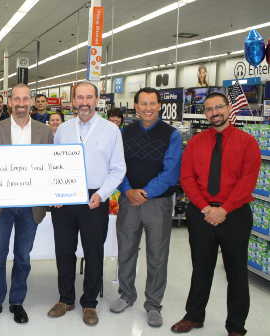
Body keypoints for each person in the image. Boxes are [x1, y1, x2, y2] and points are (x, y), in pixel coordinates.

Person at [171, 92, 261, 336]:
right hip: (201, 213)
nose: (214, 112)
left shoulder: (247, 142)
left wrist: (224, 209)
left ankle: (235, 327)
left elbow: (247, 181)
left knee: (237, 272)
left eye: (219, 107)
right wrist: (205, 208)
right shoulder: (196, 143)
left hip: (235, 215)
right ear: (205, 113)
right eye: (209, 109)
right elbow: (187, 178)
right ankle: (194, 316)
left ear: (229, 108)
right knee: (201, 268)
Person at [48, 82, 126, 326]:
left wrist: (102, 194)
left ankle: (89, 302)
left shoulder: (111, 131)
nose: (84, 102)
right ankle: (65, 298)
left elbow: (118, 169)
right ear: (73, 101)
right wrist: (55, 193)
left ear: (97, 99)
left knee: (93, 252)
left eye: (88, 97)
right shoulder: (63, 129)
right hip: (66, 198)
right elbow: (53, 163)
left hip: (95, 198)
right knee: (64, 251)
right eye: (79, 97)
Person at [109, 87, 182, 328]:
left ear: (159, 106)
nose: (148, 108)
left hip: (158, 203)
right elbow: (117, 165)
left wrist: (147, 192)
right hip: (129, 200)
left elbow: (171, 172)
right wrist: (128, 189)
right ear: (136, 106)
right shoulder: (123, 133)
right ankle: (126, 295)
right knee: (126, 249)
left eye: (152, 103)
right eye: (143, 104)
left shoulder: (172, 134)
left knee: (157, 255)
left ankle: (153, 305)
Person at [0, 83, 53, 324]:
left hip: (30, 207)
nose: (21, 104)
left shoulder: (44, 132)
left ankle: (17, 301)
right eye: (17, 100)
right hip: (1, 206)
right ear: (10, 102)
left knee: (23, 256)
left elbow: (50, 168)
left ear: (31, 102)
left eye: (25, 99)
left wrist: (57, 194)